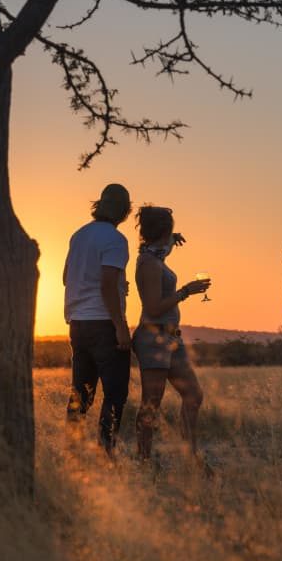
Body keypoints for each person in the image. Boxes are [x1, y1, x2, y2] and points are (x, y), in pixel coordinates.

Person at [131, 206, 212, 462]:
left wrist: (172, 240)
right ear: (163, 230)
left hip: (171, 339)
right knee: (151, 404)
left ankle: (190, 457)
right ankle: (144, 460)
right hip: (153, 339)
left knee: (193, 395)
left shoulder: (153, 253)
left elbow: (161, 248)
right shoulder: (149, 263)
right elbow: (154, 307)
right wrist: (185, 291)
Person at [63, 182, 133, 454]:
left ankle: (72, 452)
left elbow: (67, 277)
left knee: (81, 395)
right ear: (126, 211)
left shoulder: (79, 235)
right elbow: (105, 285)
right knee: (115, 395)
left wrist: (116, 285)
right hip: (104, 324)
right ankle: (106, 455)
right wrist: (121, 327)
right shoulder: (116, 240)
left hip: (78, 324)